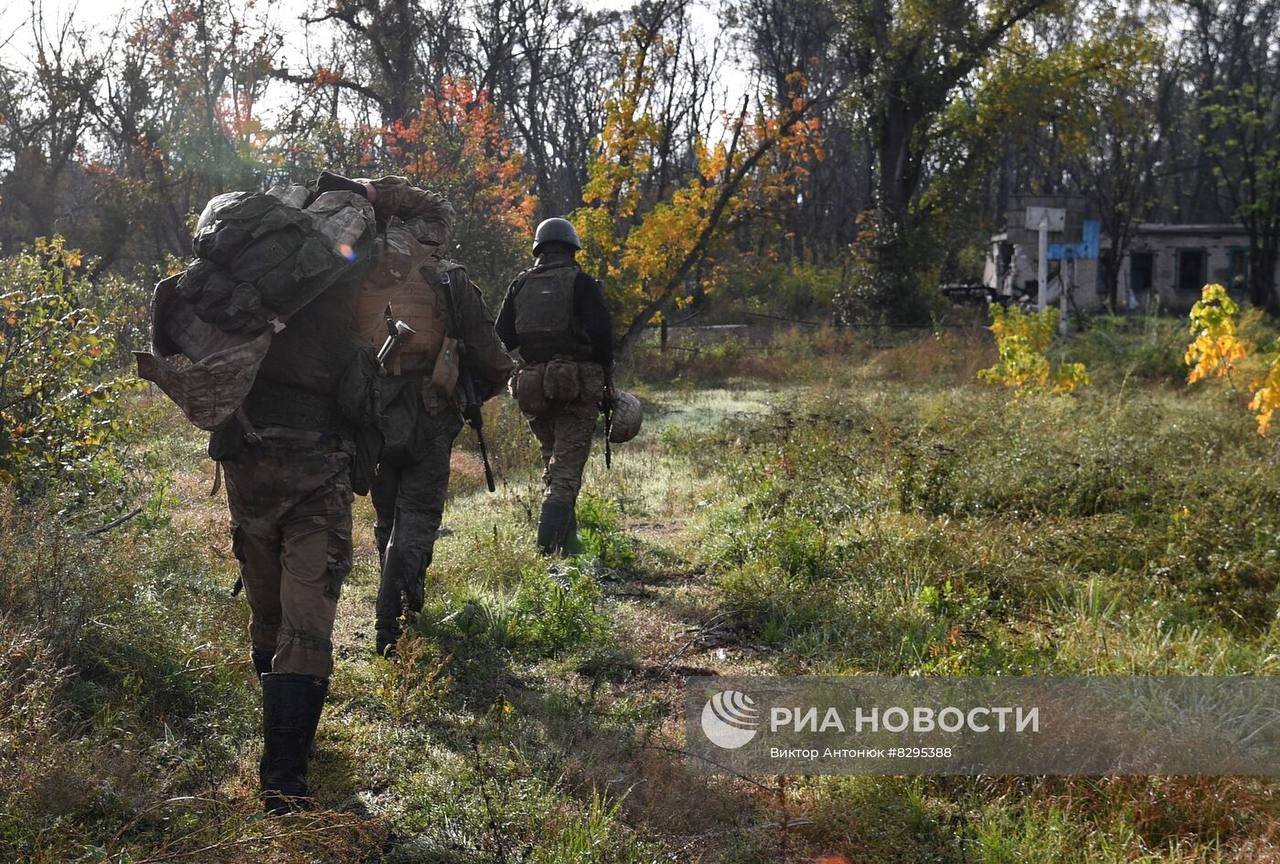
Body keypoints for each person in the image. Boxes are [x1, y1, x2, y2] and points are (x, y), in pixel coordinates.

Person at [212, 182, 381, 814]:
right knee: (305, 622)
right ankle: (284, 775)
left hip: (249, 482)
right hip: (312, 485)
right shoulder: (337, 324)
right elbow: (362, 408)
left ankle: (280, 744)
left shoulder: (243, 315)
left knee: (267, 611)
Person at [354, 178, 513, 657]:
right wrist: (469, 398)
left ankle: (391, 612)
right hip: (428, 413)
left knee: (387, 518)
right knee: (417, 518)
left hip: (373, 411)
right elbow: (491, 356)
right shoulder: (449, 279)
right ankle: (397, 624)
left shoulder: (359, 276)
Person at [495, 217, 614, 555]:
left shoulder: (520, 285)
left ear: (539, 249)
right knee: (565, 472)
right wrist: (604, 371)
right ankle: (549, 553)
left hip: (533, 387)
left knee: (553, 462)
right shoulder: (581, 282)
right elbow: (603, 335)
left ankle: (569, 544)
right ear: (572, 248)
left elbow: (502, 337)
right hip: (575, 387)